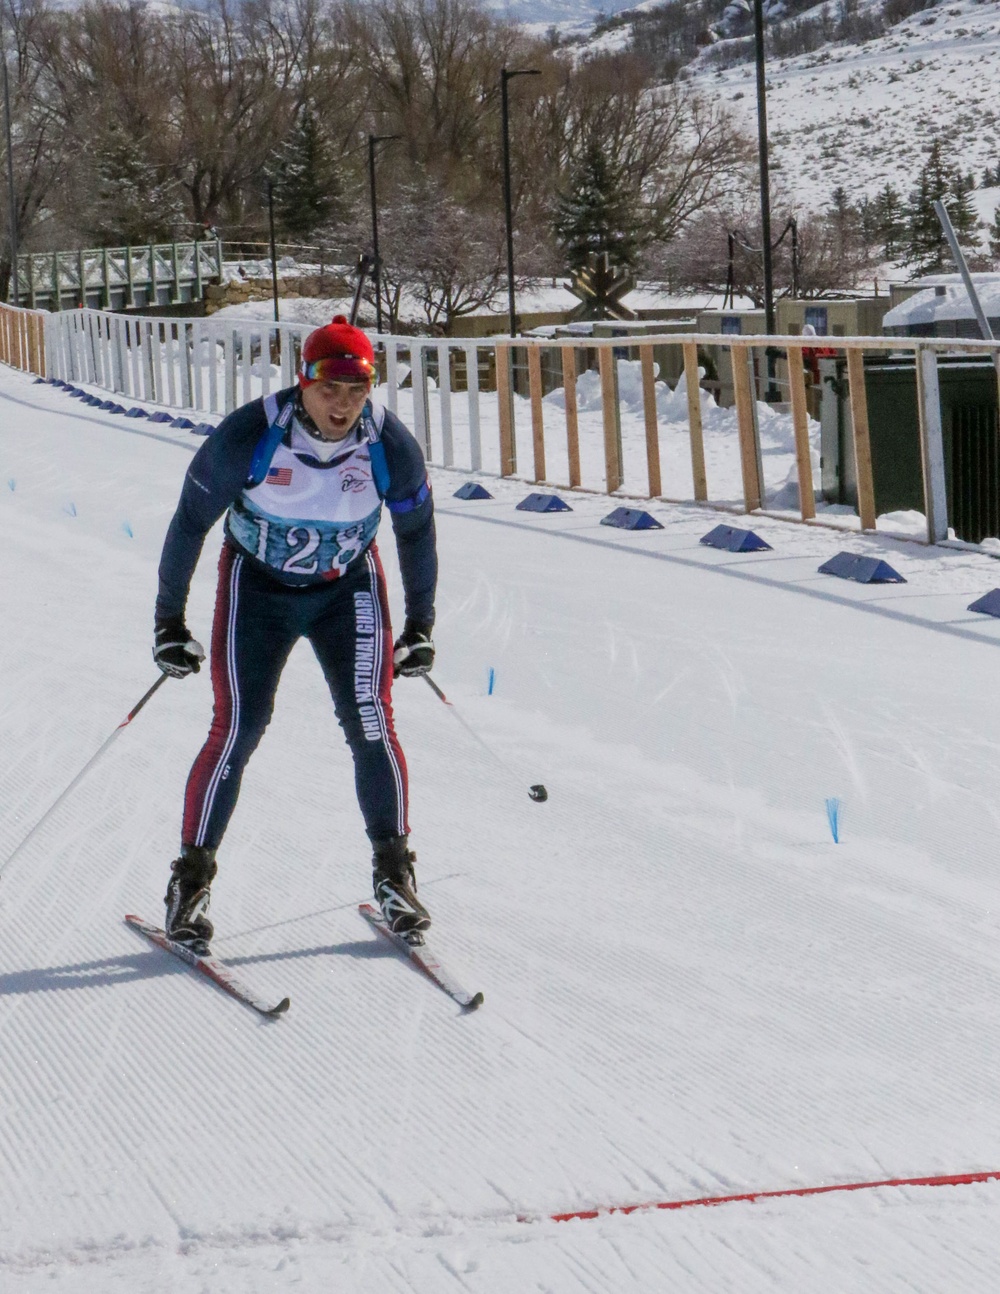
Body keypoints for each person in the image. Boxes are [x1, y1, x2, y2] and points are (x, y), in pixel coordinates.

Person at [152, 315, 437, 950]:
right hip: (258, 590)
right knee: (240, 727)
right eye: (329, 388)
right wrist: (168, 622)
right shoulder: (250, 434)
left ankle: (395, 876)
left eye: (357, 390)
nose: (343, 405)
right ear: (303, 382)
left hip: (348, 589)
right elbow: (189, 521)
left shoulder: (389, 444)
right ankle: (189, 884)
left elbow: (415, 531)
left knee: (372, 723)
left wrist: (421, 623)